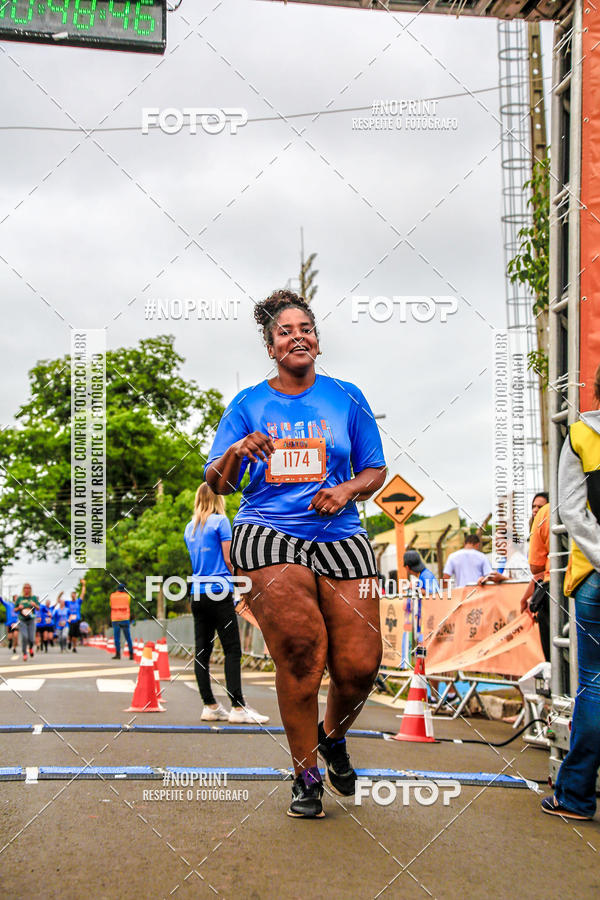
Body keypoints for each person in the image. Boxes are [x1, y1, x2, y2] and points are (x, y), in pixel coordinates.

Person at [205, 289, 387, 818]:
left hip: (340, 532)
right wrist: (237, 452)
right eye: (285, 331)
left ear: (316, 339)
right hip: (268, 532)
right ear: (270, 347)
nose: (297, 336)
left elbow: (375, 470)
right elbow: (214, 481)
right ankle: (306, 776)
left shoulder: (347, 397)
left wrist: (347, 489)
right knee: (304, 656)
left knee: (359, 665)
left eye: (305, 327)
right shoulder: (246, 405)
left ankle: (332, 738)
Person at [541, 364, 600, 820]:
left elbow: (573, 514)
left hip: (594, 575)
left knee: (595, 687)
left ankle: (577, 796)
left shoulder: (583, 434)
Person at [184, 483, 269, 725]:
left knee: (202, 652)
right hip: (219, 592)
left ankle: (209, 705)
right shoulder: (220, 522)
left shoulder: (189, 528)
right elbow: (229, 560)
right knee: (232, 650)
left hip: (197, 594)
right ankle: (238, 708)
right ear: (217, 499)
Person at [519, 502, 550, 661]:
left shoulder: (544, 516)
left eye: (539, 506)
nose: (535, 510)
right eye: (533, 506)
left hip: (559, 591)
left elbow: (537, 569)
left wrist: (525, 598)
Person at [14, 584, 39, 661]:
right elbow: (15, 610)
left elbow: (38, 608)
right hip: (22, 620)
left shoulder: (33, 598)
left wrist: (34, 605)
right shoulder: (20, 598)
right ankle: (24, 653)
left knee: (31, 638)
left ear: (30, 589)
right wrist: (19, 607)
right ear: (23, 589)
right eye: (25, 588)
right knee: (24, 637)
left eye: (28, 588)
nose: (27, 589)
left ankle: (31, 648)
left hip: (31, 620)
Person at [109, 584, 134, 660]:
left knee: (117, 638)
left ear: (117, 589)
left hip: (115, 619)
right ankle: (131, 654)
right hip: (125, 618)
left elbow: (111, 605)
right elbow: (128, 604)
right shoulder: (127, 596)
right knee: (128, 637)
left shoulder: (112, 596)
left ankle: (118, 654)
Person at [67, 578, 85, 652]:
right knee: (69, 634)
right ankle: (69, 642)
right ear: (71, 596)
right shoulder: (68, 603)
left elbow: (82, 594)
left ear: (75, 595)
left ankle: (74, 647)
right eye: (72, 595)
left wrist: (84, 585)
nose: (73, 596)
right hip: (70, 621)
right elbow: (60, 602)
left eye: (75, 595)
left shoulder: (78, 602)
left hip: (77, 620)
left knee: (75, 636)